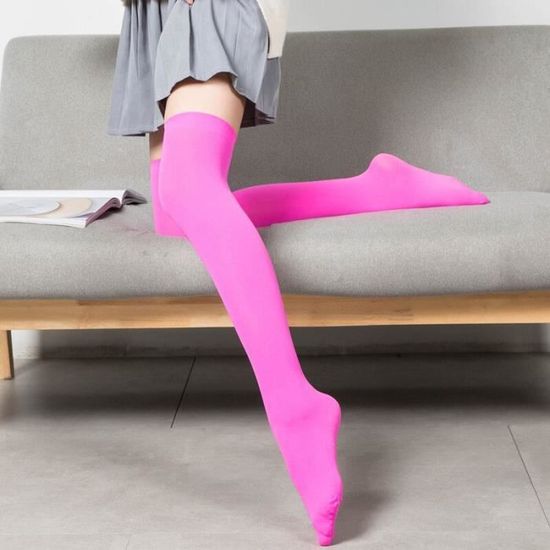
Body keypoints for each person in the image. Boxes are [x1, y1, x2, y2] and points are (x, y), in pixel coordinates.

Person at [107, 1, 490, 545]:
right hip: (154, 12)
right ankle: (378, 188)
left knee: (189, 188)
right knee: (175, 216)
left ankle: (296, 406)